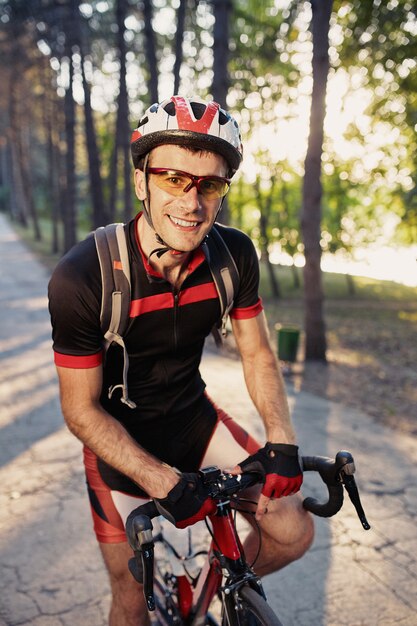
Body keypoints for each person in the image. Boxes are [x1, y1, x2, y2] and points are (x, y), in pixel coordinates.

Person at [48, 95, 314, 626]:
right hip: (120, 447)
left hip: (194, 420)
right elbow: (81, 412)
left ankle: (217, 590)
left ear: (221, 193)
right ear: (141, 181)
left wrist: (281, 439)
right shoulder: (84, 275)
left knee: (293, 531)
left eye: (209, 184)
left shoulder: (233, 256)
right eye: (173, 179)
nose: (191, 203)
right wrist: (161, 480)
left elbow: (258, 352)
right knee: (131, 593)